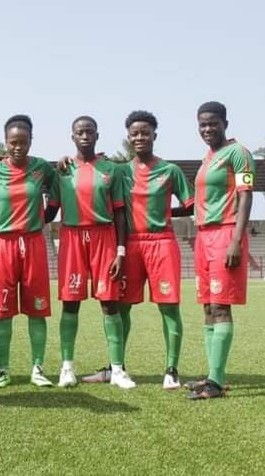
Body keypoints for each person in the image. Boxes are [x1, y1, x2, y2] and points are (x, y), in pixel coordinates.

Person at [81, 111, 194, 389]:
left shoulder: (170, 170)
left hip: (162, 242)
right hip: (129, 244)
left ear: (155, 135)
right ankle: (116, 367)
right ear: (128, 138)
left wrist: (166, 211)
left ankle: (171, 370)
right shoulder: (120, 171)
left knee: (169, 307)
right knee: (121, 307)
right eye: (134, 134)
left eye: (145, 132)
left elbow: (191, 204)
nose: (140, 137)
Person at [47, 116, 135, 389]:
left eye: (89, 132)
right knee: (70, 303)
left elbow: (120, 212)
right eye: (79, 132)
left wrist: (120, 252)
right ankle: (67, 368)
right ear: (72, 137)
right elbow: (50, 211)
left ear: (97, 136)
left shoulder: (112, 169)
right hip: (71, 237)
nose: (84, 136)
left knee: (109, 303)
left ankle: (118, 369)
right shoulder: (62, 170)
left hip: (104, 237)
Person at [0, 115, 56, 389]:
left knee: (37, 311)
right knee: (2, 312)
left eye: (23, 142)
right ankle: (3, 370)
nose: (18, 147)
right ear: (6, 142)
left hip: (33, 243)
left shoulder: (42, 168)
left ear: (31, 141)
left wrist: (41, 220)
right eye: (13, 143)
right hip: (2, 244)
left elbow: (56, 198)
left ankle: (37, 368)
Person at [185, 101, 255, 399]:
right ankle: (214, 376)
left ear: (225, 122)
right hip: (204, 236)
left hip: (226, 233)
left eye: (213, 123)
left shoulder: (239, 153)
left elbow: (245, 195)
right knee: (207, 307)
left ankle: (215, 384)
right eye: (202, 124)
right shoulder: (208, 157)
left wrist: (236, 240)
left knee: (220, 306)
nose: (207, 129)